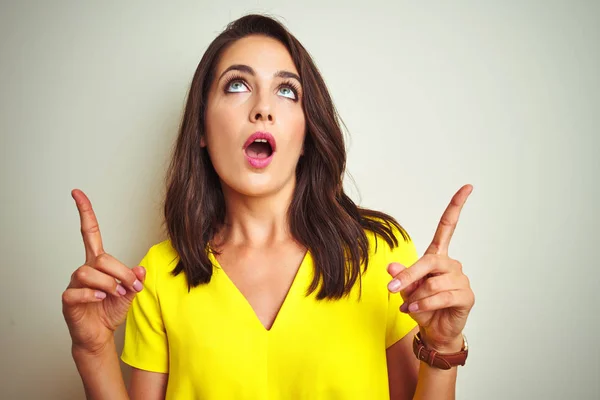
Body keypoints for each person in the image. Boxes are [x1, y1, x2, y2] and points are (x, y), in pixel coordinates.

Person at [62, 14, 475, 400]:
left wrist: (443, 350)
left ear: (307, 130)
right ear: (202, 127)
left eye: (286, 90)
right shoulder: (158, 276)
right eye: (237, 85)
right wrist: (93, 350)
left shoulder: (380, 254)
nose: (263, 108)